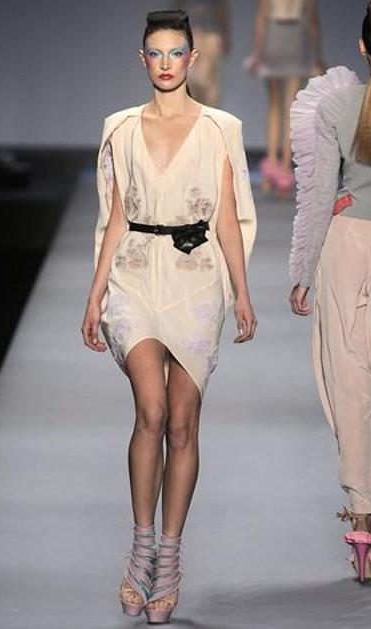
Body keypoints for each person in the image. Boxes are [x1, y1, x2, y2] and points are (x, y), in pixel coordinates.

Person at [81, 9, 257, 623]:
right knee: (150, 411)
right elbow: (115, 215)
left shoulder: (219, 129)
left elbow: (228, 215)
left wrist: (241, 292)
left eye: (175, 53)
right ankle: (140, 551)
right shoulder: (121, 129)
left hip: (196, 276)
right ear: (142, 59)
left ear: (192, 59)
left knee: (182, 423)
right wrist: (95, 292)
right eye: (154, 53)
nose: (165, 63)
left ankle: (170, 557)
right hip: (134, 273)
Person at [289, 1, 371, 584]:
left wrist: (302, 269)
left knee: (350, 380)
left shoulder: (338, 104)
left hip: (349, 245)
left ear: (364, 47)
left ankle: (363, 522)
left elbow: (319, 195)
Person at [246, 0, 324, 197]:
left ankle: (272, 165)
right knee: (291, 107)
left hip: (273, 39)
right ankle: (284, 170)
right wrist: (317, 56)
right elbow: (312, 22)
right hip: (296, 41)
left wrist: (257, 55)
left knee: (274, 104)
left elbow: (262, 17)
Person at [172, 0, 232, 107]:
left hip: (210, 34)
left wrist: (225, 33)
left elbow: (220, 6)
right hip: (190, 32)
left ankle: (209, 114)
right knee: (189, 81)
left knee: (209, 84)